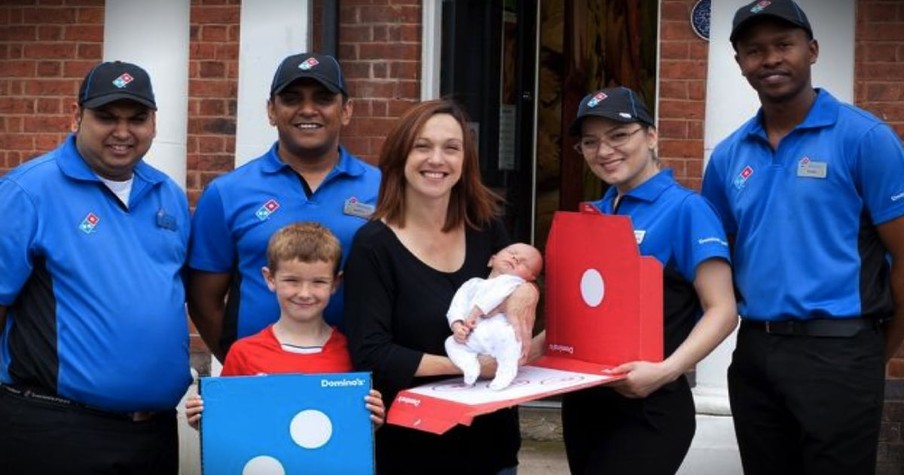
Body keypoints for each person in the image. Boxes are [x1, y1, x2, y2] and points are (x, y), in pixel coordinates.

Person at [701, 1, 904, 473]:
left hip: (840, 349)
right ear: (740, 64)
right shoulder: (729, 155)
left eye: (783, 45)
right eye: (754, 50)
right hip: (755, 352)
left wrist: (877, 351)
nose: (770, 59)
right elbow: (718, 263)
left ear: (811, 50)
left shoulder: (865, 138)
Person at [0, 61, 191, 474]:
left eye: (137, 119)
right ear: (76, 116)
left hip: (154, 434)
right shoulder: (27, 191)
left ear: (154, 123)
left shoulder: (168, 196)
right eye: (106, 117)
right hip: (56, 430)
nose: (122, 132)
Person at [343, 99, 539, 475]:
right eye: (422, 146)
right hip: (412, 452)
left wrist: (528, 290)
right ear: (401, 155)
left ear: (465, 162)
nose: (437, 159)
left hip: (493, 447)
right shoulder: (374, 246)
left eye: (451, 148)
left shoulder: (487, 228)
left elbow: (520, 282)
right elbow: (371, 353)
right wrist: (472, 366)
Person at [557, 86, 738, 474]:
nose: (604, 151)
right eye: (590, 142)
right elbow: (580, 313)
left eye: (619, 135)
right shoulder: (596, 213)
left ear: (652, 135)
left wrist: (667, 371)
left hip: (650, 406)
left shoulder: (688, 210)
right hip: (586, 404)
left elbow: (722, 310)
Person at [188, 52, 381, 363]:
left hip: (354, 378)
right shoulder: (227, 192)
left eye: (323, 98)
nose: (307, 109)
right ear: (271, 111)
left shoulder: (383, 190)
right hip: (261, 382)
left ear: (346, 110)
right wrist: (240, 360)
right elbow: (203, 298)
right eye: (291, 99)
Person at [185, 222, 384, 429]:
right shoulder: (244, 353)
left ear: (335, 283)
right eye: (292, 280)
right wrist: (205, 420)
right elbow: (230, 424)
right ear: (270, 278)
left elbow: (353, 431)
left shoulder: (352, 352)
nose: (305, 293)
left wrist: (372, 422)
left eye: (318, 282)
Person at [445, 242, 543, 391]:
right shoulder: (472, 284)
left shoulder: (513, 283)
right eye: (512, 252)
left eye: (524, 263)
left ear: (529, 278)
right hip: (472, 335)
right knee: (451, 343)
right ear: (492, 260)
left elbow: (494, 297)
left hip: (500, 334)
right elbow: (457, 304)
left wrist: (475, 313)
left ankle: (506, 370)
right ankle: (469, 364)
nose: (516, 258)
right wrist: (456, 325)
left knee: (511, 339)